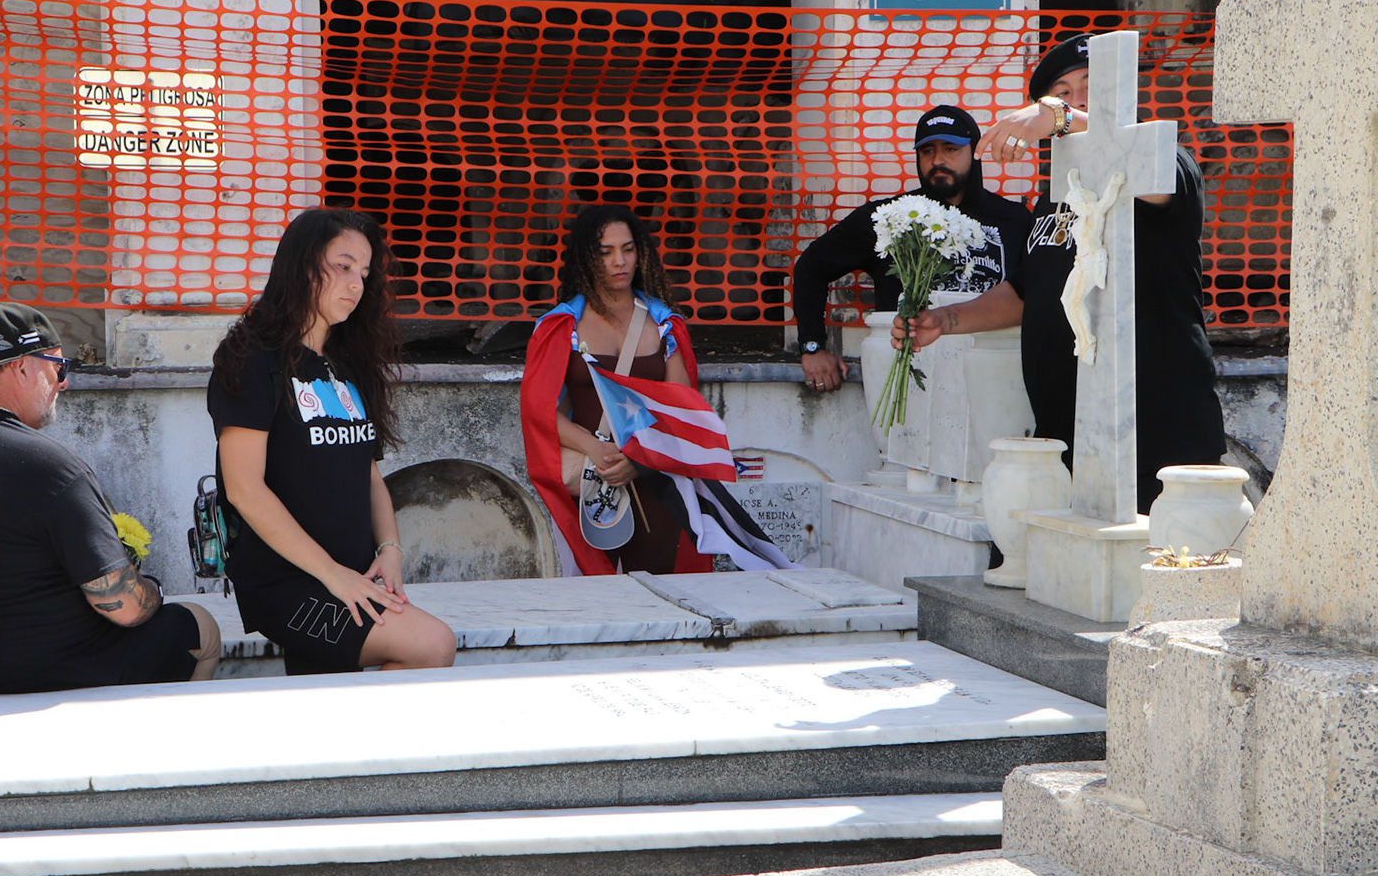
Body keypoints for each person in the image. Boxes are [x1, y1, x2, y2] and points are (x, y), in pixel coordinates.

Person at [896, 34, 1226, 510]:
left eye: (1091, 86)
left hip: (1157, 434)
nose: (1078, 100)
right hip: (1066, 435)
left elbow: (1149, 168)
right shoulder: (1058, 195)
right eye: (1063, 93)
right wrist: (945, 320)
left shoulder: (1161, 161)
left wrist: (1061, 116)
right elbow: (1028, 291)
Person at [0, 302, 222, 693]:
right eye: (59, 368)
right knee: (200, 627)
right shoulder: (49, 465)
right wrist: (153, 591)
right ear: (22, 367)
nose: (63, 383)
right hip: (48, 679)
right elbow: (124, 607)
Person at [207, 208, 455, 675]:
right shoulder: (251, 358)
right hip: (289, 584)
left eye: (364, 273)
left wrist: (390, 549)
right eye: (343, 266)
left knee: (327, 694)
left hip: (351, 576)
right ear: (302, 266)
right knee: (431, 645)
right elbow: (244, 489)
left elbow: (368, 473)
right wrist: (333, 575)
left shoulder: (347, 361)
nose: (356, 284)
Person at [522, 205, 791, 576]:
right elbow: (538, 411)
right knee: (592, 593)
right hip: (592, 482)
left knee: (664, 588)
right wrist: (596, 450)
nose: (620, 262)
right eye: (605, 252)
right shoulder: (559, 327)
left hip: (658, 483)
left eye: (628, 249)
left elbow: (680, 409)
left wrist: (639, 461)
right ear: (585, 259)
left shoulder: (664, 324)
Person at [792, 105, 1031, 393]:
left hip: (992, 375)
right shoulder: (890, 217)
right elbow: (811, 267)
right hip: (907, 376)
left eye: (951, 149)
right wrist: (812, 347)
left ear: (974, 151)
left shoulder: (1015, 220)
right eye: (927, 151)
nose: (938, 160)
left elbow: (1033, 294)